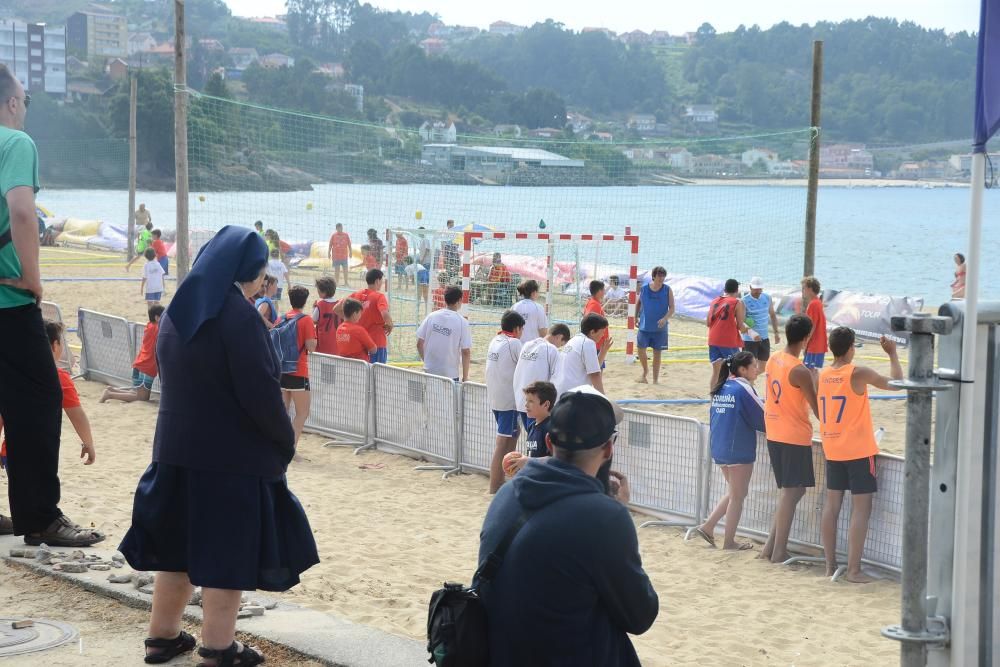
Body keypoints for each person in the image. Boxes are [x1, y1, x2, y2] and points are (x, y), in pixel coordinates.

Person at [118, 226, 317, 666]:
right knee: (226, 554)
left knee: (176, 549)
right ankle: (219, 647)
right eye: (259, 273)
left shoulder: (177, 312)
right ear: (247, 271)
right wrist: (285, 440)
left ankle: (162, 638)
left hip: (173, 451)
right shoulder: (238, 317)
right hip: (229, 460)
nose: (260, 282)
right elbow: (260, 395)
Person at [476, 386, 658, 667]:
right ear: (609, 447)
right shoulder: (604, 518)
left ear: (548, 442)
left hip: (500, 651)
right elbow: (640, 616)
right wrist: (617, 511)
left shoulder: (507, 494)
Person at [0, 65, 102, 546]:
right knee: (40, 401)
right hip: (6, 300)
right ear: (13, 102)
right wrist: (32, 278)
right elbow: (22, 210)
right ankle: (40, 518)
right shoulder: (16, 143)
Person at [819, 328, 903, 582]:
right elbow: (896, 384)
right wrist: (893, 354)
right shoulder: (856, 372)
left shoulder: (823, 374)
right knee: (860, 510)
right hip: (857, 449)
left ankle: (829, 565)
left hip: (832, 447)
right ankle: (854, 570)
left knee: (831, 507)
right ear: (850, 348)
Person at [761, 314, 819, 564]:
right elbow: (818, 409)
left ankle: (770, 547)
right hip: (793, 433)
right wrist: (816, 381)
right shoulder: (800, 370)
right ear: (806, 338)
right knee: (791, 492)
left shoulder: (774, 359)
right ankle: (778, 551)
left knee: (793, 491)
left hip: (774, 429)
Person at [694, 351, 764, 550]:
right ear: (743, 370)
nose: (758, 370)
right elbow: (762, 417)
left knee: (735, 492)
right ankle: (729, 542)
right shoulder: (743, 388)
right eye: (754, 366)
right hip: (737, 448)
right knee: (738, 496)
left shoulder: (722, 386)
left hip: (719, 446)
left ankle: (708, 526)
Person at [485, 310, 525, 494]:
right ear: (517, 329)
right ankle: (494, 486)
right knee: (503, 443)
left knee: (512, 438)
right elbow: (525, 367)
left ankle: (504, 481)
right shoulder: (514, 343)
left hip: (495, 397)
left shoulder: (496, 340)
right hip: (508, 400)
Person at [100, 305, 165, 403]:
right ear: (157, 318)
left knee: (137, 393)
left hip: (140, 364)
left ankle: (111, 390)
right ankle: (109, 394)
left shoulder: (149, 326)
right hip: (145, 368)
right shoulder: (156, 328)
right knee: (142, 397)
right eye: (163, 317)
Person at [512, 323, 571, 430]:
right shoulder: (551, 350)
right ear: (559, 337)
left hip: (521, 401)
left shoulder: (527, 344)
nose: (560, 347)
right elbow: (556, 379)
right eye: (561, 344)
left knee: (531, 438)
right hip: (537, 404)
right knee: (537, 440)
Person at [279, 286, 317, 446]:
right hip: (298, 370)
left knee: (283, 412)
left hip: (282, 369)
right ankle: (290, 447)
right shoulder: (306, 319)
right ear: (305, 301)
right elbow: (311, 346)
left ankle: (280, 445)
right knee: (302, 412)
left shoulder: (282, 318)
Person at [415, 286, 472, 381]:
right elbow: (466, 352)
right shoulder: (463, 322)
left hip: (430, 370)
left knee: (430, 396)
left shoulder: (431, 316)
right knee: (449, 396)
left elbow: (419, 344)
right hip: (449, 374)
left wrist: (427, 362)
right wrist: (465, 377)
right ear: (459, 300)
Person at [707, 278, 751, 391]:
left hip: (713, 339)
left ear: (725, 289)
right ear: (737, 290)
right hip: (728, 341)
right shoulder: (737, 302)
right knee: (736, 371)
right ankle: (733, 396)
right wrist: (749, 330)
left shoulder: (714, 301)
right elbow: (740, 326)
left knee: (716, 372)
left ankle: (714, 399)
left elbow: (708, 323)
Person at [553, 313, 610, 396]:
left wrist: (603, 351)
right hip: (570, 395)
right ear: (592, 332)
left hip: (559, 391)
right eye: (602, 332)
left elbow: (593, 368)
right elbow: (595, 375)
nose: (603, 335)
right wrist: (604, 399)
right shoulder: (587, 343)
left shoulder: (574, 340)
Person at [344, 268, 392, 364]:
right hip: (376, 341)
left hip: (360, 342)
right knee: (377, 374)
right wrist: (390, 324)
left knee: (363, 374)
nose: (382, 283)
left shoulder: (357, 294)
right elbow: (384, 313)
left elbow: (337, 308)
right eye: (381, 281)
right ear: (377, 281)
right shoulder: (379, 296)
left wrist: (348, 322)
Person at [635, 266, 673, 384]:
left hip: (660, 328)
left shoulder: (667, 290)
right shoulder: (645, 289)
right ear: (654, 276)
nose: (661, 278)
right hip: (644, 326)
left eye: (663, 276)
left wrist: (665, 318)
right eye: (659, 276)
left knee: (657, 353)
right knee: (640, 349)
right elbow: (639, 303)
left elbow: (672, 308)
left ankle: (655, 380)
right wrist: (636, 316)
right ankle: (645, 372)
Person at [742, 276, 781, 372]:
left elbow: (772, 315)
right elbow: (741, 321)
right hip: (749, 339)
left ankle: (749, 379)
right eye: (755, 289)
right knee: (750, 367)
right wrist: (751, 333)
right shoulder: (744, 301)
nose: (758, 291)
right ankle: (748, 383)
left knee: (763, 368)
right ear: (750, 287)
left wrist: (776, 333)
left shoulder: (767, 298)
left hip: (764, 337)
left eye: (759, 289)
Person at [801, 275, 827, 369]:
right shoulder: (817, 302)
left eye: (804, 288)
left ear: (810, 289)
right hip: (819, 345)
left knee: (810, 372)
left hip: (814, 345)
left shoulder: (814, 304)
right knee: (813, 371)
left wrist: (805, 343)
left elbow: (812, 326)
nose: (803, 291)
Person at [312, 276, 340, 356]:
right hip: (337, 342)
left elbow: (313, 320)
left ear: (323, 292)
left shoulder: (320, 304)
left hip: (324, 342)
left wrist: (314, 308)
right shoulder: (339, 304)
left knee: (323, 365)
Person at [584, 280, 610, 362]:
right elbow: (589, 322)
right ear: (599, 291)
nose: (604, 292)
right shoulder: (594, 305)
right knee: (597, 371)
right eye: (603, 290)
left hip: (597, 343)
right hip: (596, 344)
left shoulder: (593, 303)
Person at [328, 223, 352, 288]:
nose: (340, 229)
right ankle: (336, 283)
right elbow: (330, 245)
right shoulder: (333, 235)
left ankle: (346, 283)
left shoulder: (346, 235)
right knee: (337, 270)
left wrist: (351, 252)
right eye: (338, 228)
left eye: (341, 227)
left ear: (342, 228)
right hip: (336, 256)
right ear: (336, 228)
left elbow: (349, 244)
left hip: (344, 256)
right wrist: (328, 253)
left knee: (345, 270)